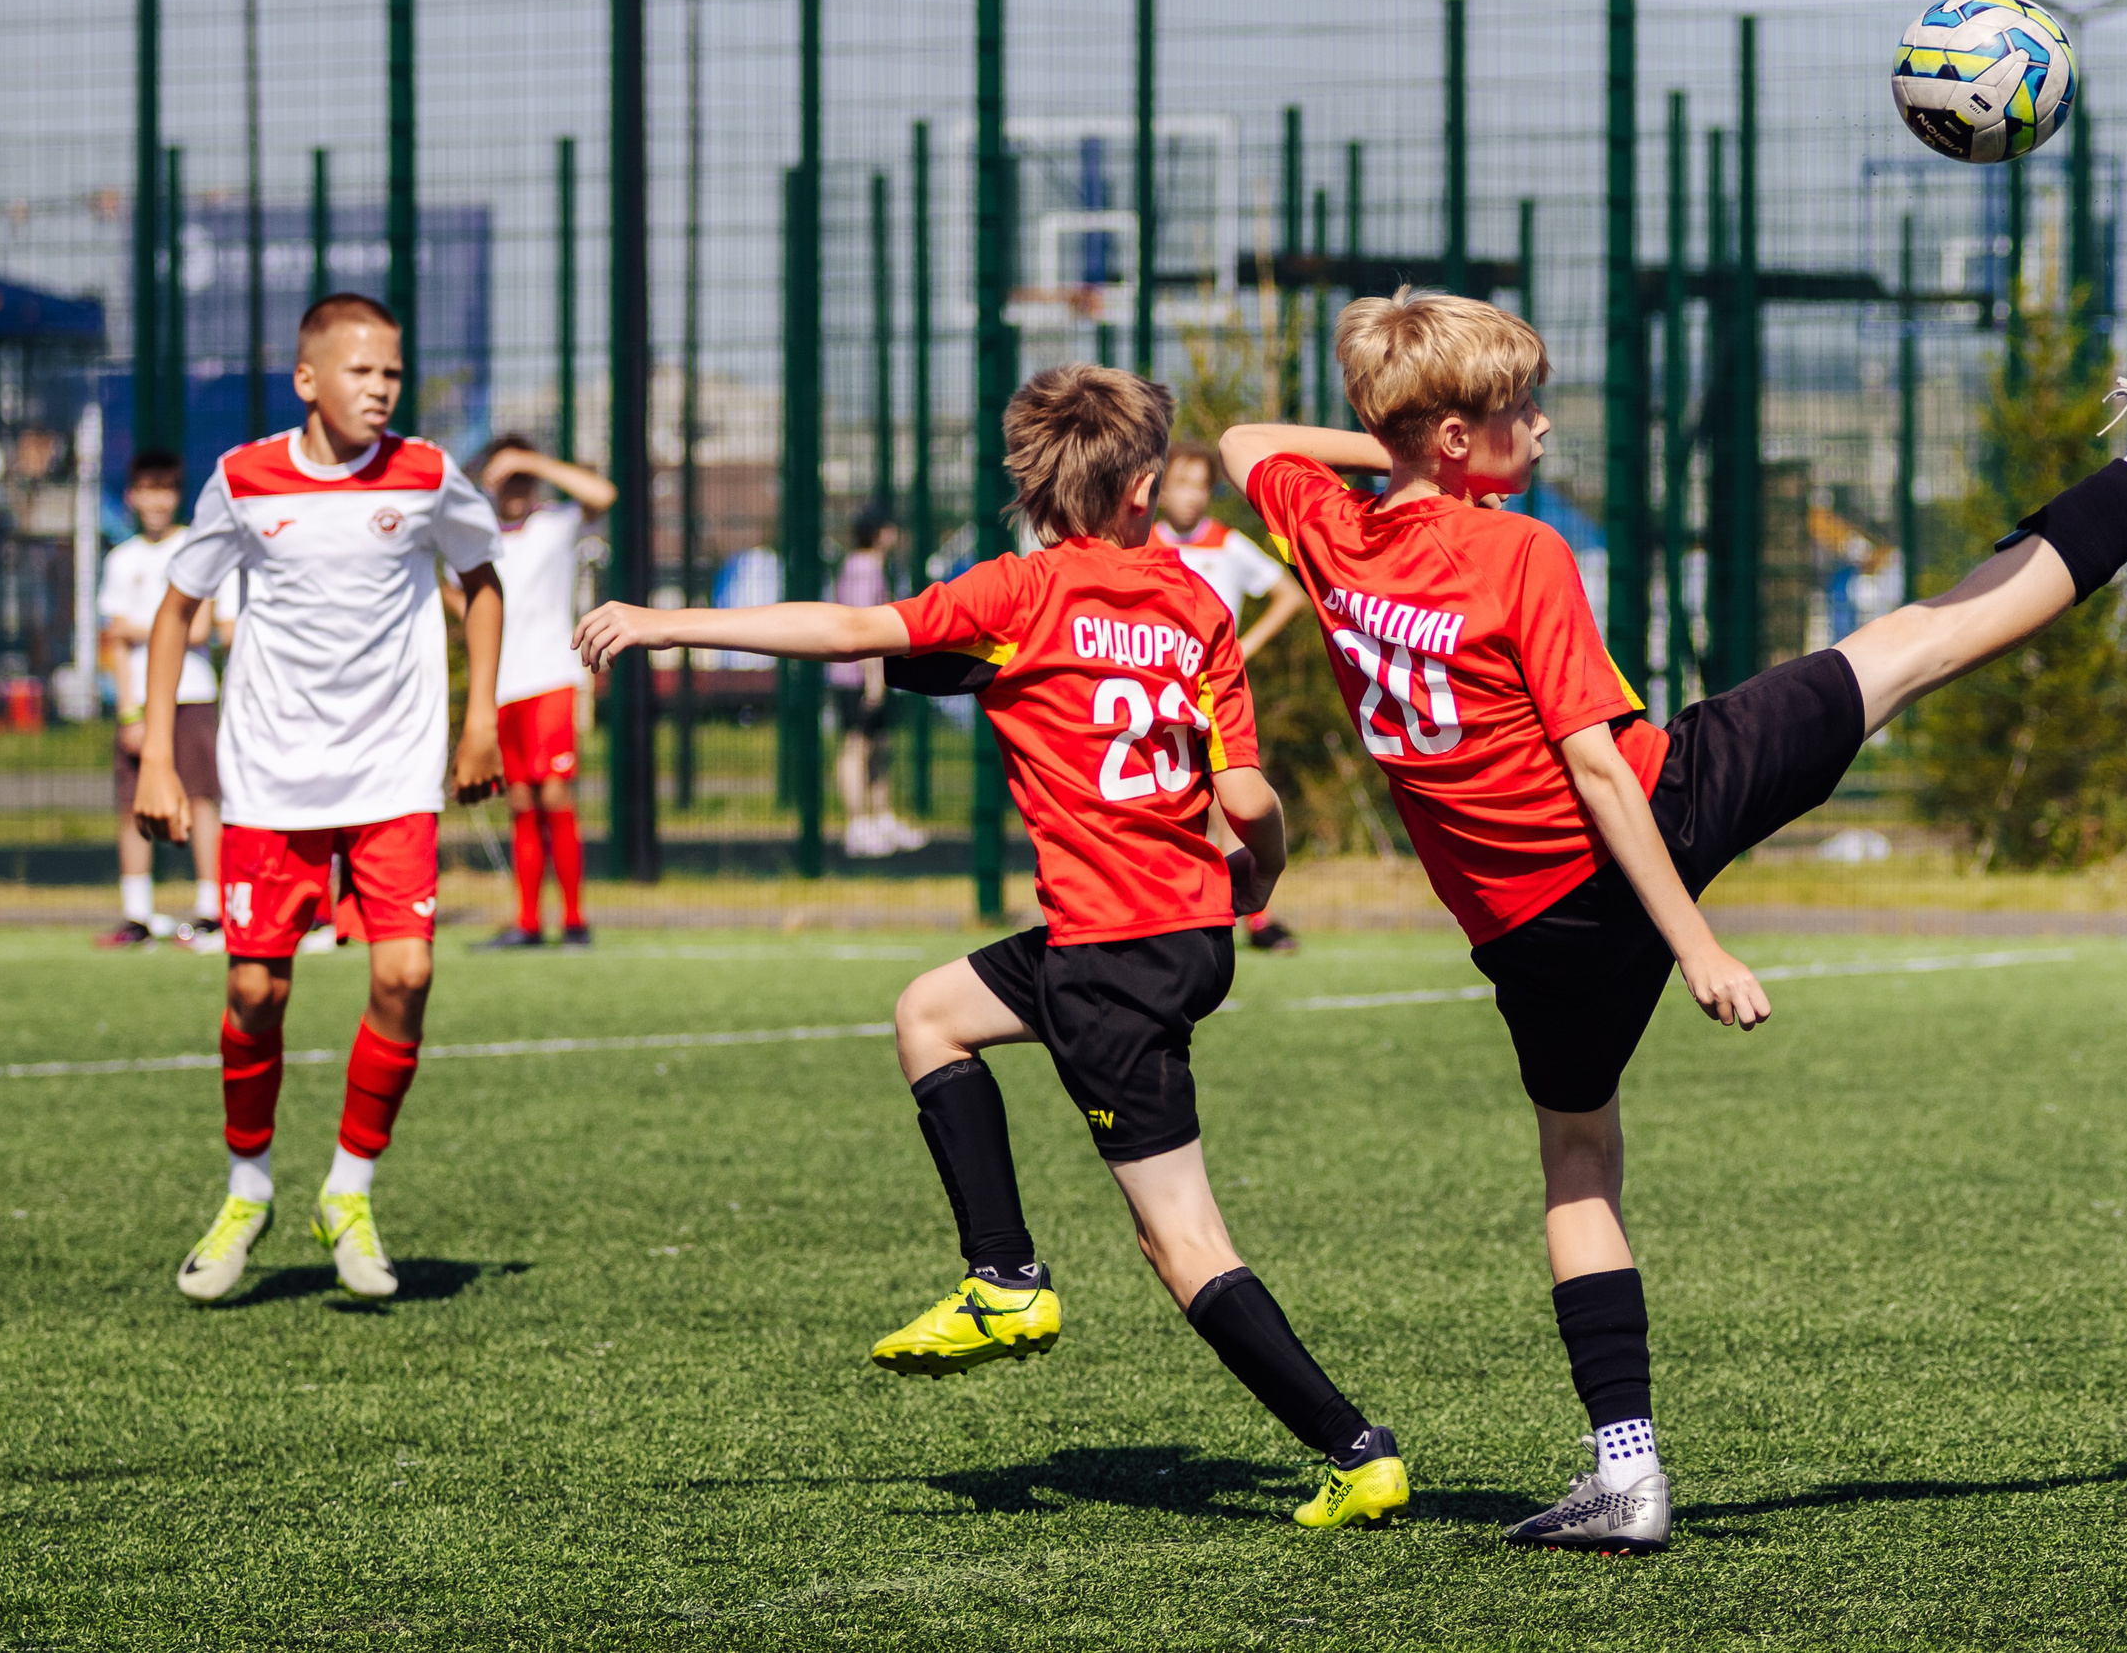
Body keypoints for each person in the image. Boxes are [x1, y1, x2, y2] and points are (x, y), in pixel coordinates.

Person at [1219, 276, 2127, 1552]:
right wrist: (1695, 941)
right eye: (1514, 410)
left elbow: (1242, 445)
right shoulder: (1519, 552)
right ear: (1450, 439)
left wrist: (1394, 449)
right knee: (1916, 646)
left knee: (1578, 1159)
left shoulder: (1329, 531)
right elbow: (1600, 769)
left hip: (1520, 932)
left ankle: (1625, 1469)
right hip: (1658, 816)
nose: (1539, 429)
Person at [575, 363, 1410, 1531]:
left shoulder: (1024, 593)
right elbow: (1252, 798)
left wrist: (670, 622)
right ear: (1141, 488)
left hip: (1108, 956)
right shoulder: (1195, 602)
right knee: (931, 1011)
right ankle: (1002, 1274)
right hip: (1183, 930)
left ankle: (1352, 1444)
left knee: (1181, 1239)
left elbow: (852, 629)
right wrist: (1255, 883)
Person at [136, 292, 508, 1306]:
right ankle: (247, 1187)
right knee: (256, 992)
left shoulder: (429, 474)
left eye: (391, 372)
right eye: (360, 372)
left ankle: (348, 1188)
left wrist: (480, 721)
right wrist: (164, 757)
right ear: (309, 380)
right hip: (268, 777)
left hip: (392, 773)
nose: (380, 389)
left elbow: (481, 576)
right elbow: (179, 608)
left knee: (409, 971)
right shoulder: (244, 479)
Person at [1149, 442, 1311, 951]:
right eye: (1181, 482)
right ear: (1158, 488)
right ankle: (1167, 910)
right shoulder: (1141, 542)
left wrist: (1243, 647)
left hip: (1215, 695)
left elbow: (1291, 595)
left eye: (1201, 484)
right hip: (1155, 695)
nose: (1192, 495)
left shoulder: (1227, 544)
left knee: (1232, 803)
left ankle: (1252, 916)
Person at [464, 433, 616, 950]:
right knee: (521, 802)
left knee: (555, 795)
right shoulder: (478, 536)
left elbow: (603, 495)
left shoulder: (555, 525)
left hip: (551, 678)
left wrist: (529, 460)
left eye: (521, 479)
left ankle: (574, 920)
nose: (514, 489)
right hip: (503, 686)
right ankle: (527, 922)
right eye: (505, 479)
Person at [95, 449, 236, 950]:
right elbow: (114, 637)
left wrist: (145, 628)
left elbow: (198, 626)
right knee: (133, 802)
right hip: (140, 703)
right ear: (132, 496)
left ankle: (210, 907)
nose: (155, 500)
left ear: (177, 496)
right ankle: (137, 913)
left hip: (193, 697)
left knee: (201, 798)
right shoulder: (121, 559)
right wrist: (130, 711)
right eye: (146, 489)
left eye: (165, 489)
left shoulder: (195, 548)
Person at [830, 507, 926, 858]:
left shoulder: (875, 568)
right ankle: (857, 825)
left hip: (874, 675)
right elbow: (861, 629)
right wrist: (873, 679)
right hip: (855, 676)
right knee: (856, 747)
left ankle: (880, 817)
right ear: (878, 532)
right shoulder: (862, 568)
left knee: (879, 746)